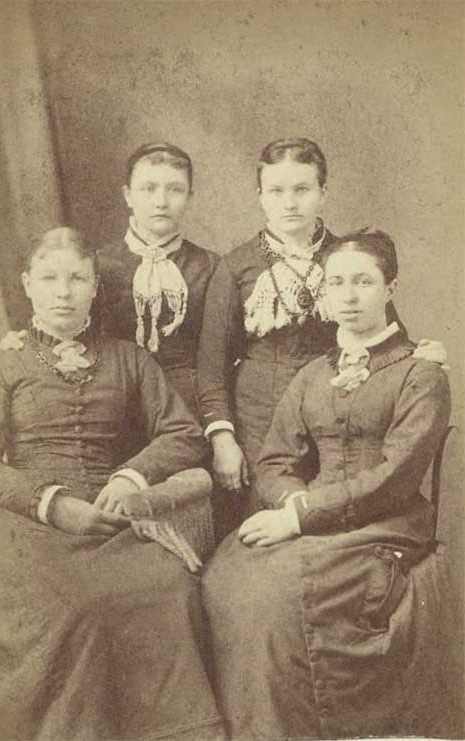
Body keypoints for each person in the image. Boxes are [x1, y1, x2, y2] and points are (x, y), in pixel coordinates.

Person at [0, 227, 224, 740]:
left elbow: (183, 433)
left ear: (94, 288)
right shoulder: (4, 363)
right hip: (30, 524)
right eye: (49, 278)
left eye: (76, 278)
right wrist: (50, 503)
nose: (62, 291)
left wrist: (133, 475)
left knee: (169, 587)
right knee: (75, 608)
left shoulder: (128, 358)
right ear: (27, 285)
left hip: (114, 520)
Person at [202, 229, 456, 738]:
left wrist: (299, 517)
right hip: (312, 513)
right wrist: (292, 500)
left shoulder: (420, 374)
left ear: (390, 289)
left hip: (386, 522)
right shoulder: (315, 374)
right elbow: (275, 459)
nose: (348, 294)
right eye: (336, 282)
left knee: (274, 592)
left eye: (363, 281)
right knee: (223, 576)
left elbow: (395, 477)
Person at [196, 137, 446, 537]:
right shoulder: (236, 267)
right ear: (260, 196)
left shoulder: (349, 255)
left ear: (323, 193)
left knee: (334, 513)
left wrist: (420, 355)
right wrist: (224, 440)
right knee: (259, 528)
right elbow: (211, 370)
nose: (289, 203)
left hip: (336, 412)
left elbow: (384, 331)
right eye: (276, 191)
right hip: (259, 423)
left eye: (302, 189)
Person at [0, 143, 219, 418]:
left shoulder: (210, 266)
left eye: (175, 189)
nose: (161, 201)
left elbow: (219, 358)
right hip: (114, 404)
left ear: (190, 196)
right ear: (128, 195)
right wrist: (24, 342)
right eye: (148, 189)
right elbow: (66, 327)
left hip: (187, 407)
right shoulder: (97, 265)